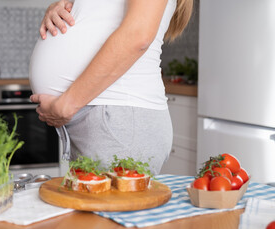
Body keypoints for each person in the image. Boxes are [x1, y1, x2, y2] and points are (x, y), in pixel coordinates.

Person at [29, 0, 193, 174]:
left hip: (117, 120)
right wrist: (68, 8)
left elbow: (138, 34)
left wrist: (67, 104)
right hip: (104, 119)